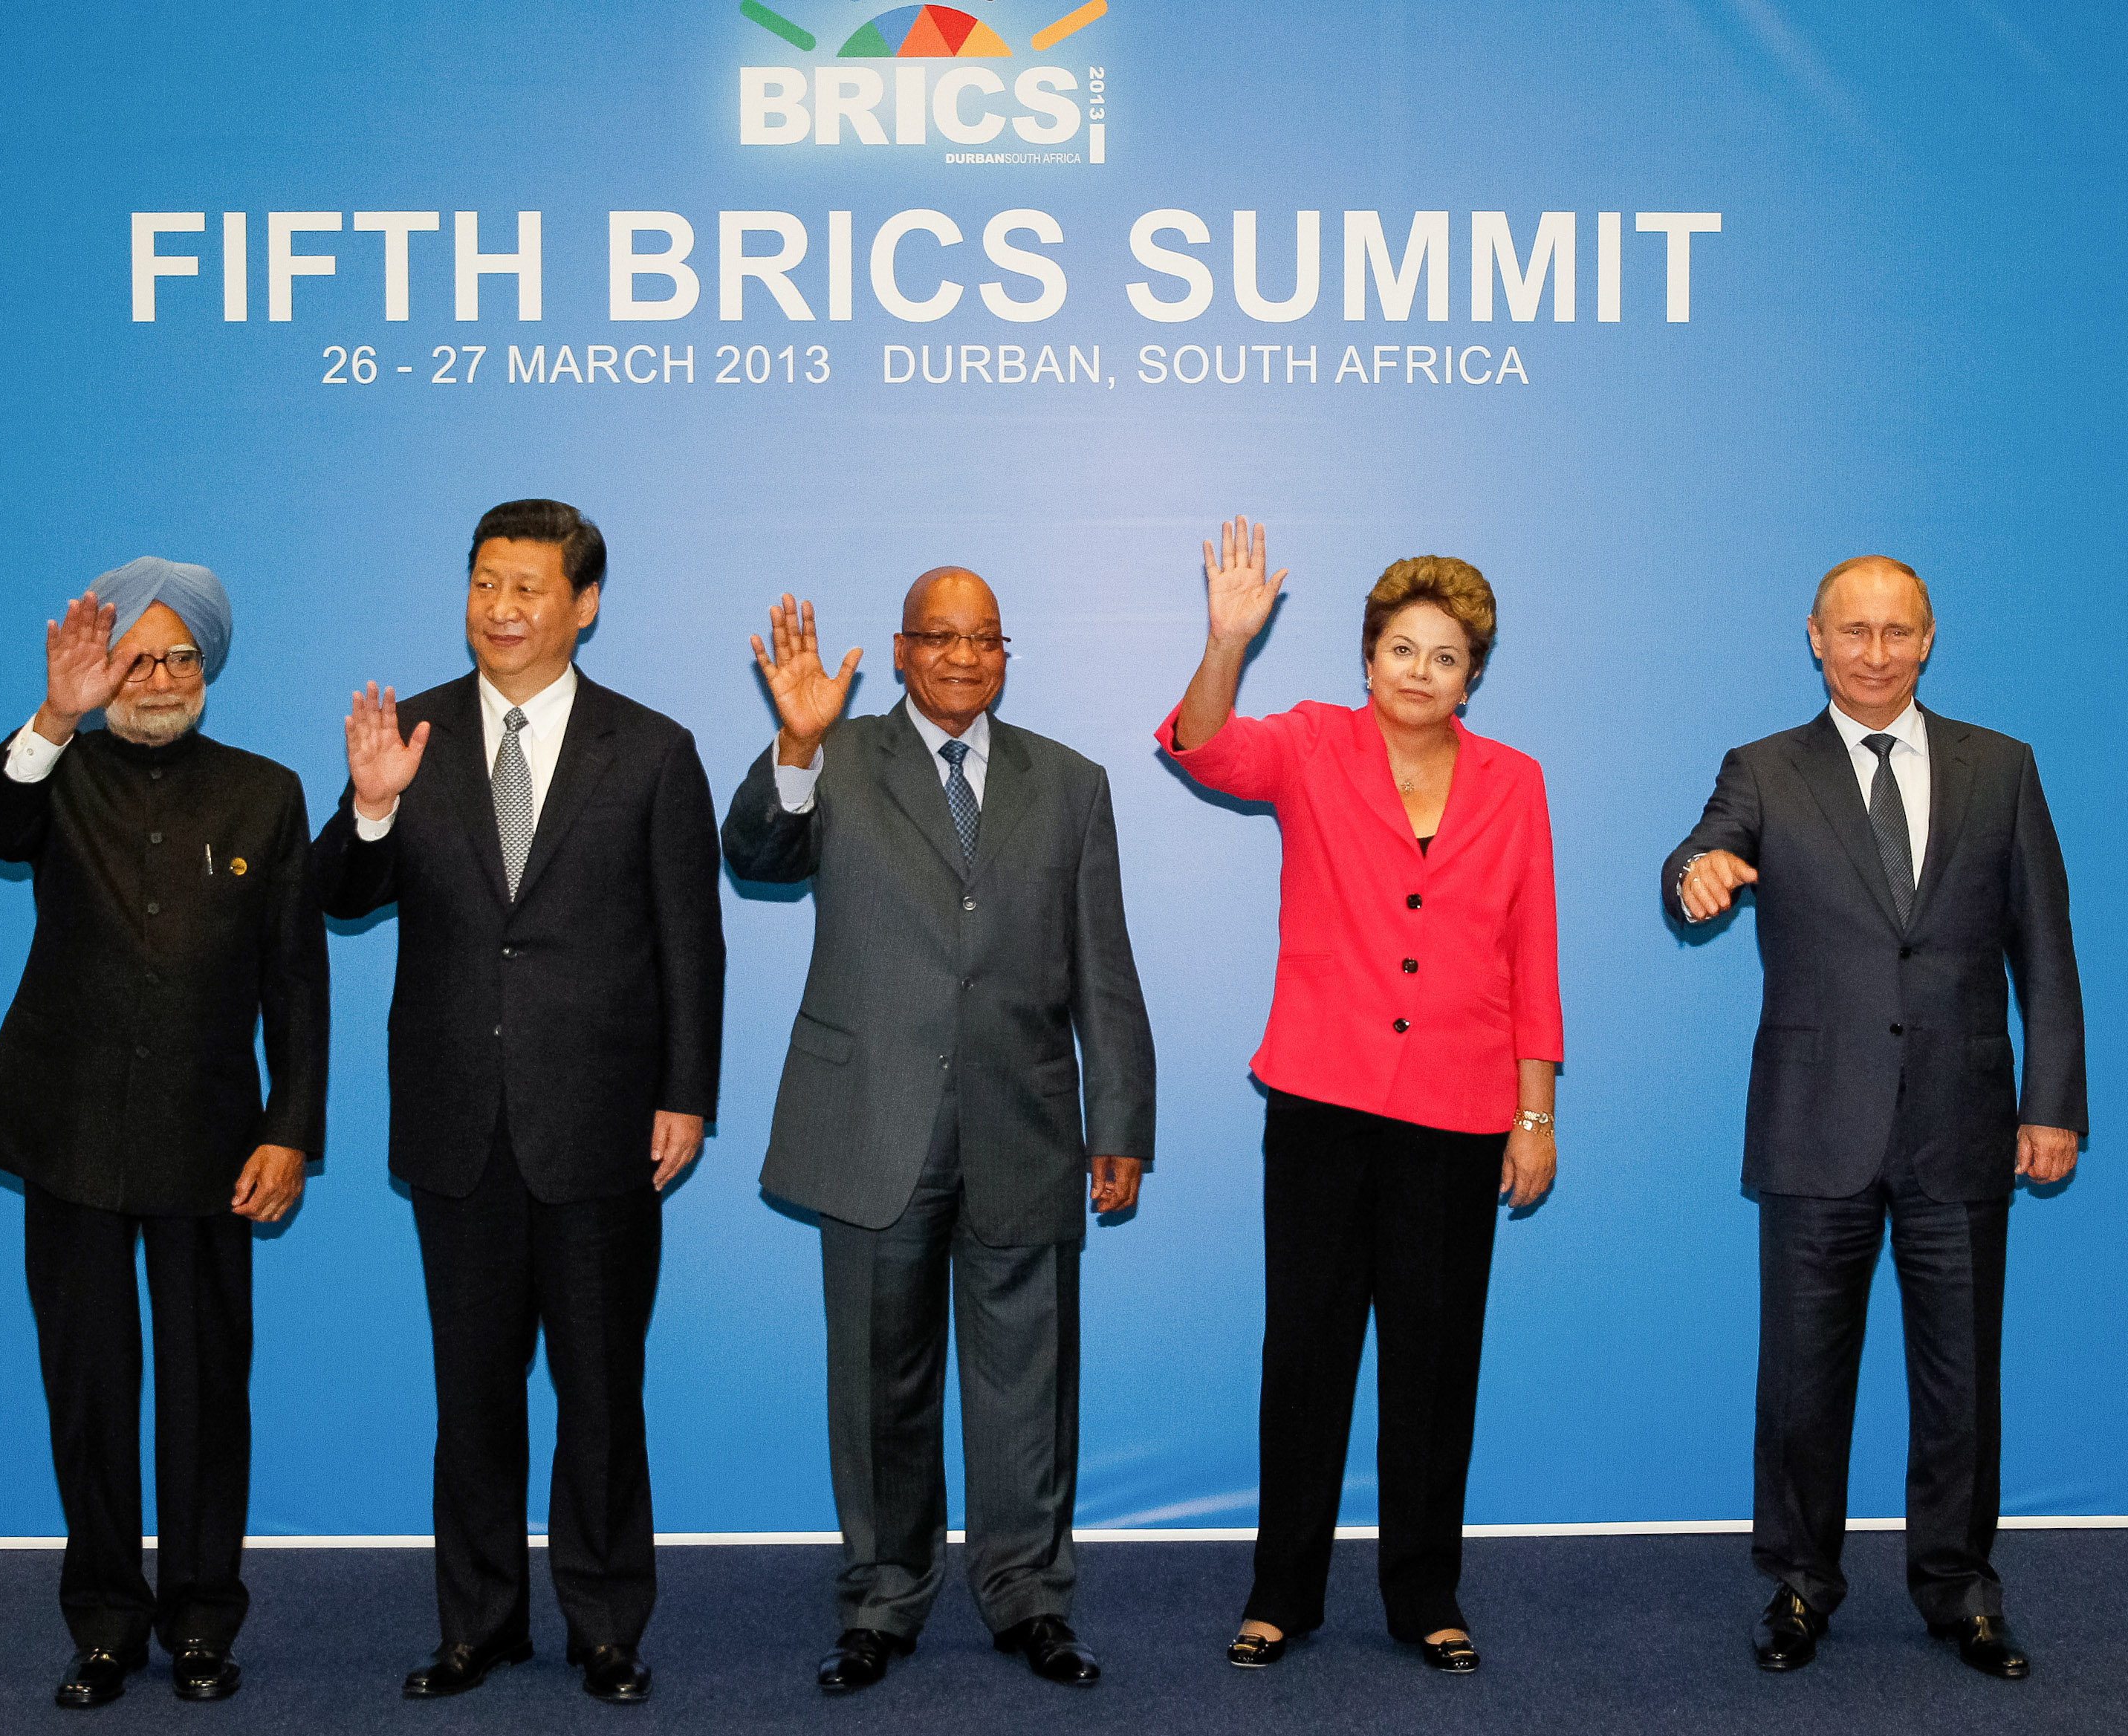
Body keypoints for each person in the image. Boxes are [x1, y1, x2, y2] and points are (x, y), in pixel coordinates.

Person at [314, 498, 724, 1707]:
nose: (500, 607)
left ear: (583, 604)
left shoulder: (650, 749)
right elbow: (338, 892)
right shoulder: (412, 732)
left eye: (527, 587)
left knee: (601, 1390)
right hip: (455, 1118)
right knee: (471, 1392)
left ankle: (604, 1624)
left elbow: (688, 942)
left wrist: (685, 1093)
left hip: (602, 1122)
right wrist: (374, 805)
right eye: (484, 582)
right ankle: (478, 1623)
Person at [722, 570, 1155, 1694]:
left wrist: (1120, 1119)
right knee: (879, 1383)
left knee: (1028, 1384)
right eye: (939, 637)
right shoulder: (838, 757)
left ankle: (1029, 1599)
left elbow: (1102, 969)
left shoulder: (1069, 782)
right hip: (871, 1122)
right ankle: (881, 1598)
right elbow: (756, 855)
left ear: (1005, 654)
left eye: (984, 639)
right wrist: (797, 748)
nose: (963, 656)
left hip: (1025, 1124)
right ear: (901, 651)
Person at [1662, 556, 2086, 1681]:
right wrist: (1697, 870)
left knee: (1961, 1377)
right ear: (1813, 637)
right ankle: (1800, 1583)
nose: (1874, 650)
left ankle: (1959, 1587)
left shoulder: (2001, 767)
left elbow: (2044, 948)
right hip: (1815, 1125)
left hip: (1963, 1122)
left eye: (1897, 630)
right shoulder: (1762, 767)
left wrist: (2051, 1101)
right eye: (1852, 630)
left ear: (1930, 638)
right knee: (1802, 1378)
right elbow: (1693, 854)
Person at [1159, 519, 1561, 1676]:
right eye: (1399, 647)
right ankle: (1280, 1592)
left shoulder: (1514, 781)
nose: (1418, 670)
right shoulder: (1307, 746)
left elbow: (1531, 952)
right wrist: (1225, 642)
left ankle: (1423, 1593)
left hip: (1459, 1111)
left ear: (1471, 676)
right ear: (1365, 656)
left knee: (1434, 1367)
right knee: (1307, 1358)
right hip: (1324, 1105)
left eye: (1443, 655)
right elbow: (1198, 745)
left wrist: (1532, 1113)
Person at [0, 557, 326, 1709]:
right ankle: (107, 1622)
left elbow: (295, 984)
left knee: (209, 1389)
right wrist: (52, 715)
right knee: (90, 1384)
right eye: (135, 654)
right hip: (64, 1128)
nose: (157, 676)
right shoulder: (55, 770)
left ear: (207, 669)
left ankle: (203, 1620)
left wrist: (291, 1130)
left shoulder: (266, 791)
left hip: (214, 1139)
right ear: (101, 663)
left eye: (179, 656)